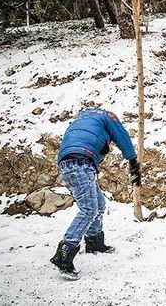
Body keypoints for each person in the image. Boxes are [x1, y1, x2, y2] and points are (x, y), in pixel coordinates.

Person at [50, 108, 142, 280]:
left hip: (72, 162)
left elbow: (83, 142)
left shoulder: (82, 120)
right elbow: (122, 136)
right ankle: (64, 253)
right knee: (89, 209)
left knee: (99, 204)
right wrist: (132, 161)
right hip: (80, 163)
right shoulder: (107, 117)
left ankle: (94, 242)